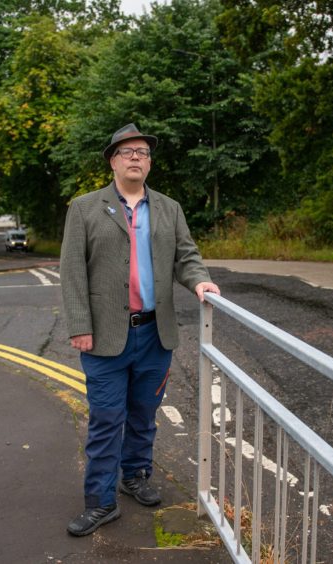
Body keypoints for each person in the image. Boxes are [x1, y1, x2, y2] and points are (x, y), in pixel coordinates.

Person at [60, 123, 221, 536]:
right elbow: (73, 272)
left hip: (154, 335)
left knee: (144, 416)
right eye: (127, 151)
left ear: (149, 163)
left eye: (143, 152)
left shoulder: (170, 208)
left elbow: (186, 256)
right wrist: (79, 325)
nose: (136, 157)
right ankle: (100, 501)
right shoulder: (84, 208)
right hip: (104, 336)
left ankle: (135, 476)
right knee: (106, 418)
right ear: (113, 160)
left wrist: (199, 280)